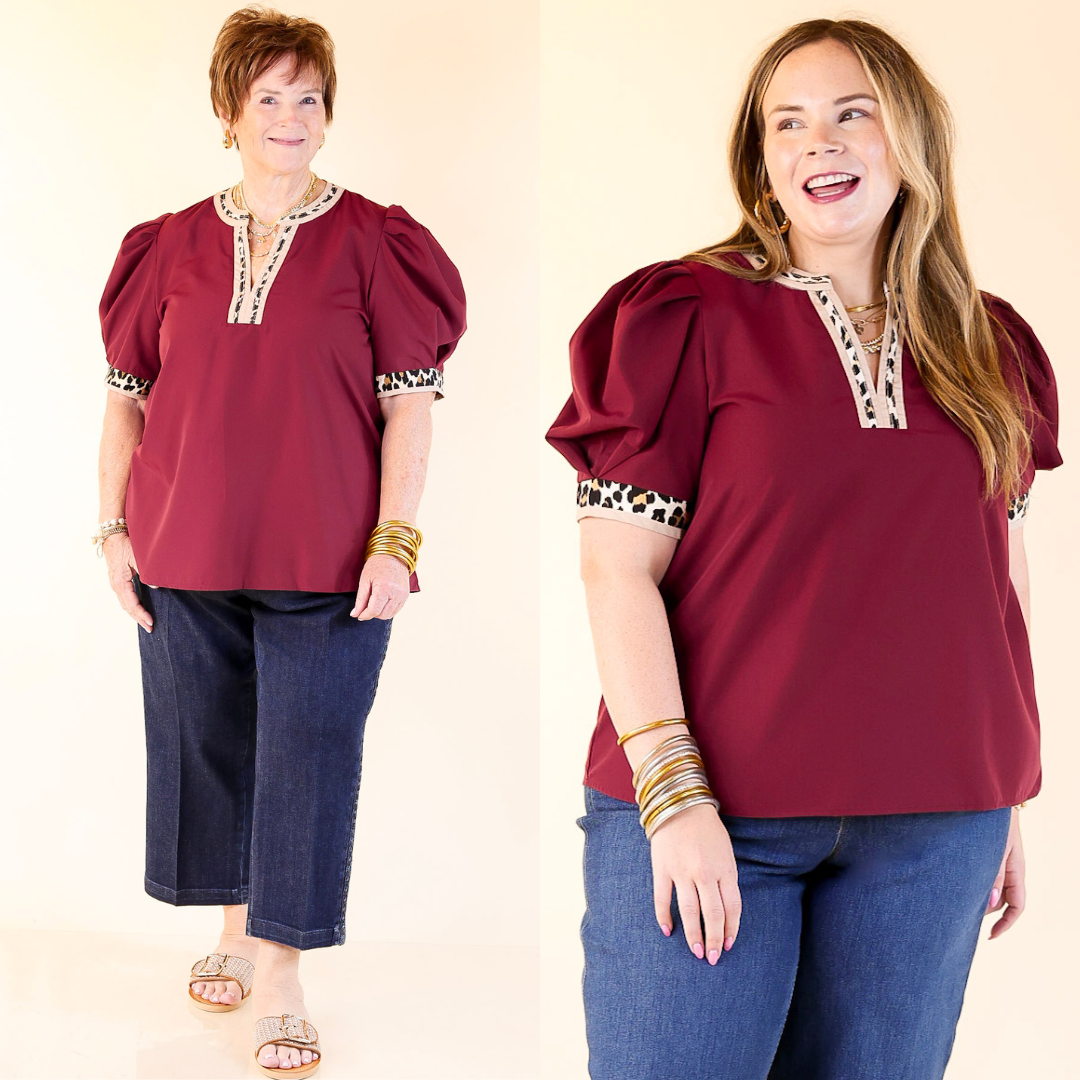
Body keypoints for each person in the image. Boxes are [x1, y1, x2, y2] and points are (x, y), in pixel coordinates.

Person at [546, 17, 1062, 1080]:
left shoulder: (991, 346)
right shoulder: (680, 316)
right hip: (714, 809)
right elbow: (616, 569)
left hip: (936, 827)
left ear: (908, 138)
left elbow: (994, 588)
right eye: (788, 123)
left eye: (849, 114)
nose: (817, 143)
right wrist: (673, 796)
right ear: (762, 157)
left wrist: (1002, 783)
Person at [94, 7, 465, 1076]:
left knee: (308, 753)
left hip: (332, 554)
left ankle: (284, 969)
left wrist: (397, 539)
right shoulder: (162, 248)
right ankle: (228, 927)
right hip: (181, 544)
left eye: (310, 98)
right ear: (229, 111)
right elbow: (126, 402)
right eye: (270, 98)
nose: (292, 118)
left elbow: (410, 406)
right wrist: (113, 528)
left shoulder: (379, 243)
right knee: (205, 741)